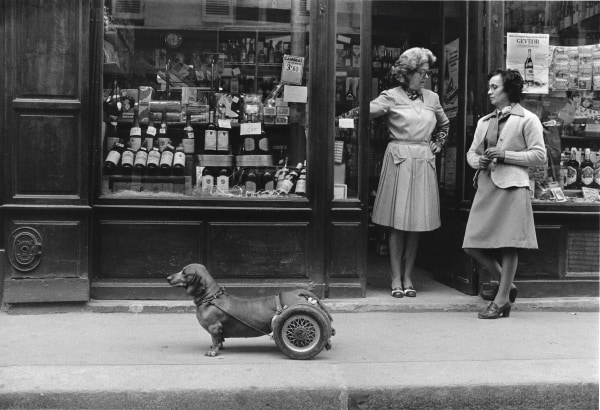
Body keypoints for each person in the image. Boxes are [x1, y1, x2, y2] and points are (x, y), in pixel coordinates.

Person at [463, 69, 546, 319]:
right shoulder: (484, 121)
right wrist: (479, 162)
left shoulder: (527, 119)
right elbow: (471, 153)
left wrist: (505, 155)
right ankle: (507, 286)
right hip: (487, 186)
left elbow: (539, 156)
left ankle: (501, 302)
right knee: (471, 244)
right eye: (489, 87)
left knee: (509, 246)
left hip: (513, 186)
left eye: (494, 87)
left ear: (509, 90)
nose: (489, 92)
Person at [366, 47, 450, 298]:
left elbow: (445, 123)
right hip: (399, 159)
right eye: (421, 72)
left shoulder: (432, 98)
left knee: (416, 223)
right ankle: (394, 277)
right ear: (407, 73)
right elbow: (364, 112)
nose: (425, 77)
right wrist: (337, 120)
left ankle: (408, 276)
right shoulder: (390, 96)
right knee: (397, 224)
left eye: (427, 72)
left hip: (423, 159)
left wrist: (439, 142)